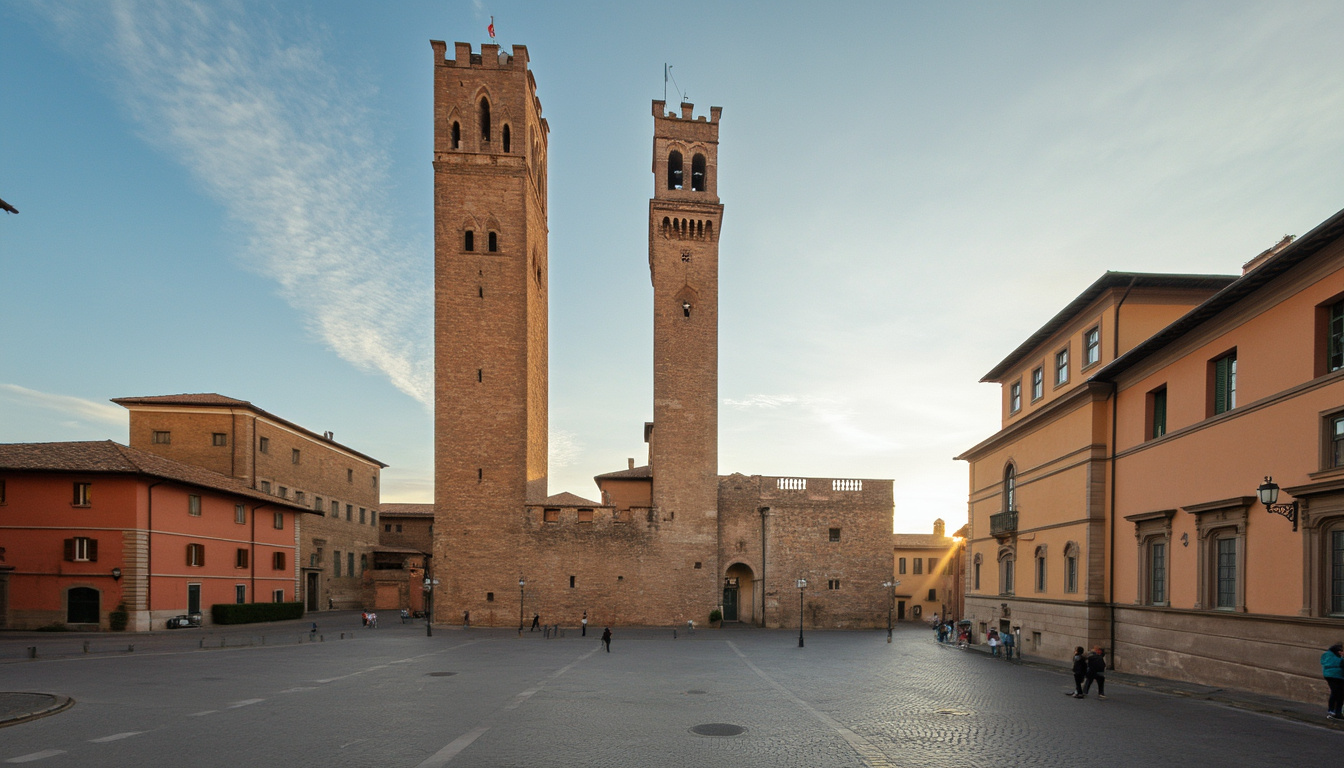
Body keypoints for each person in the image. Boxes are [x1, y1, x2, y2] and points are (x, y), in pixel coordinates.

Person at [1322, 642, 1344, 719]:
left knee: (1339, 694)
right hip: (1332, 676)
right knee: (1336, 693)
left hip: (1339, 676)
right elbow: (1331, 663)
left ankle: (1337, 712)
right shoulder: (1329, 655)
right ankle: (1332, 711)